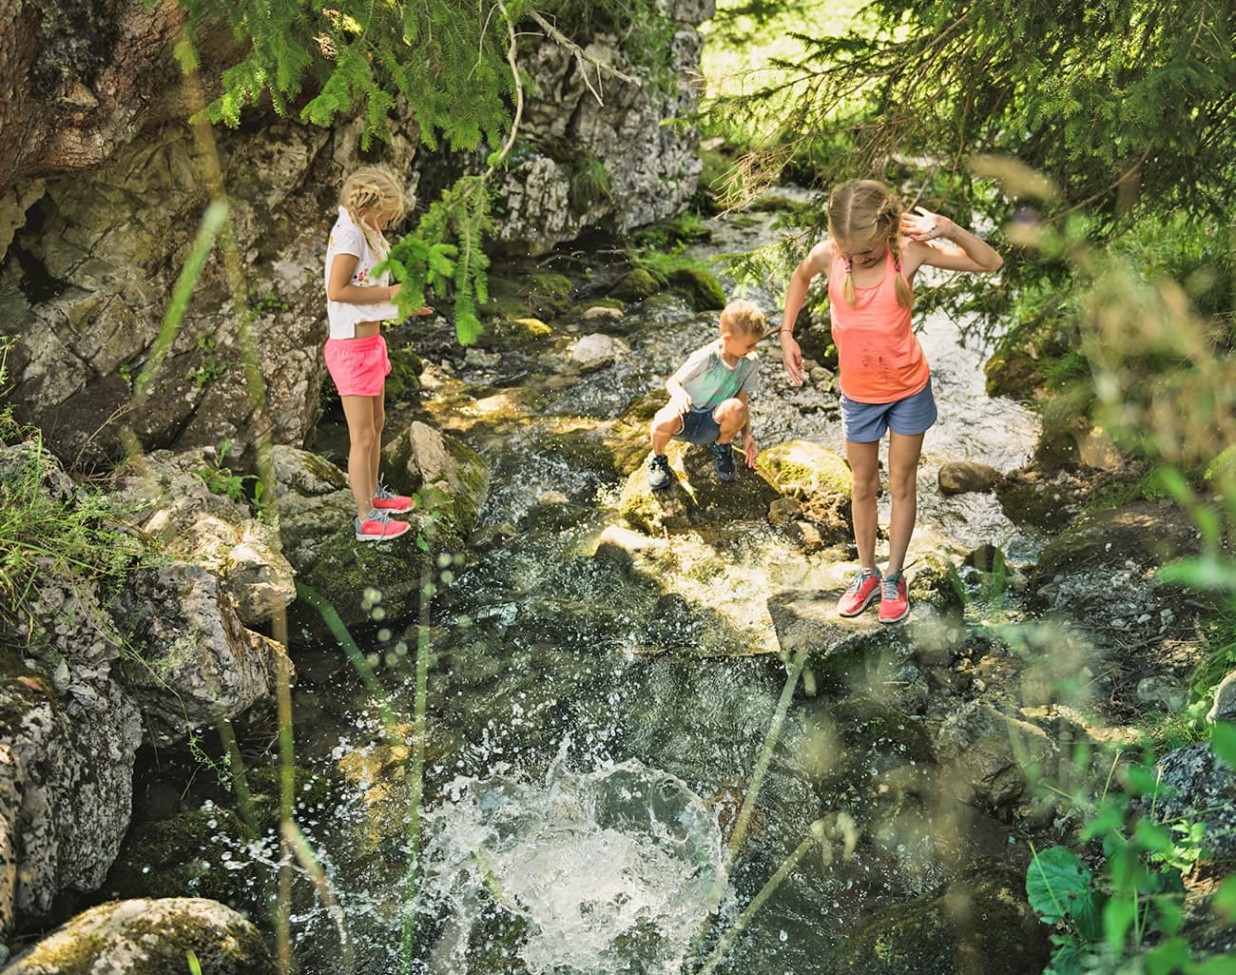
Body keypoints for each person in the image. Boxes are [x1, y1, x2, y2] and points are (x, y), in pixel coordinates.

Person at [779, 179, 1002, 623]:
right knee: (862, 486)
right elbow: (801, 277)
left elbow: (990, 263)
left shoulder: (908, 252)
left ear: (885, 231)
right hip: (858, 396)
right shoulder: (831, 255)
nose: (857, 260)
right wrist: (786, 331)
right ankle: (865, 572)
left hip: (907, 392)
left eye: (866, 253)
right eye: (851, 254)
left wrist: (950, 229)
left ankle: (893, 577)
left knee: (902, 484)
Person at [324, 164, 432, 542]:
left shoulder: (364, 232)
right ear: (369, 204)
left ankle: (373, 494)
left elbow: (365, 292)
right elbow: (338, 291)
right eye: (387, 215)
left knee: (379, 423)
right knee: (363, 436)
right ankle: (365, 518)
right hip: (351, 350)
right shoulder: (351, 236)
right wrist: (389, 294)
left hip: (369, 345)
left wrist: (402, 305)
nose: (388, 223)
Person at [647, 299, 765, 490]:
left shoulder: (749, 362)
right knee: (661, 420)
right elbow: (672, 382)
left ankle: (722, 447)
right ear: (727, 338)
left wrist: (746, 435)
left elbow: (742, 401)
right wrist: (678, 395)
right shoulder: (706, 357)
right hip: (684, 420)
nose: (753, 350)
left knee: (735, 407)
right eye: (749, 345)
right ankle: (658, 457)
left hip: (711, 425)